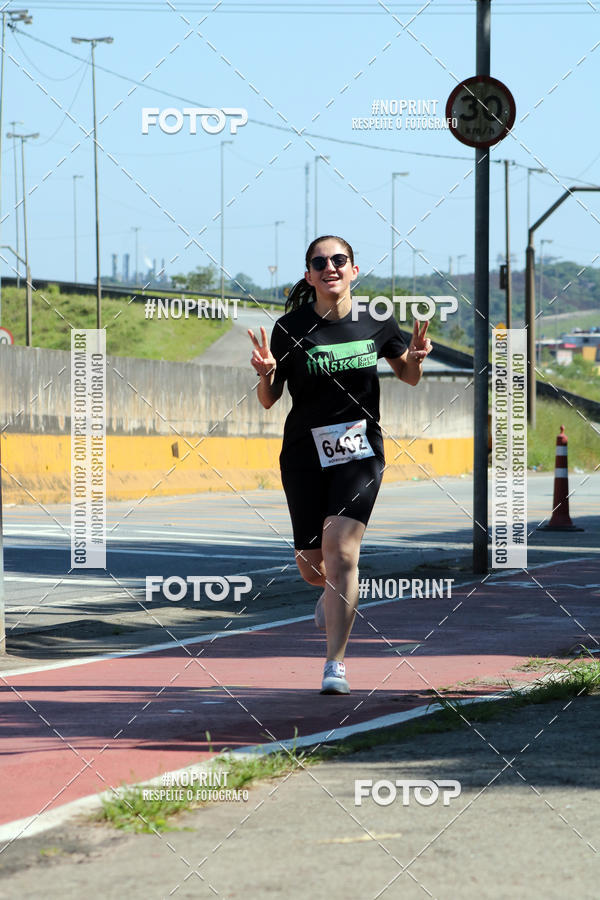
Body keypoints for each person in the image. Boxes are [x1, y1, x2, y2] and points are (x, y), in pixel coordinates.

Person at [248, 235, 432, 695]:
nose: (330, 267)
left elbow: (407, 376)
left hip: (358, 450)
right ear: (309, 275)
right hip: (303, 455)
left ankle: (335, 665)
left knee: (343, 551)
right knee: (314, 567)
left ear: (353, 269)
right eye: (319, 262)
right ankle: (330, 595)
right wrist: (266, 374)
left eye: (339, 260)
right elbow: (270, 401)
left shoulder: (376, 321)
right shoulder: (290, 328)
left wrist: (416, 357)